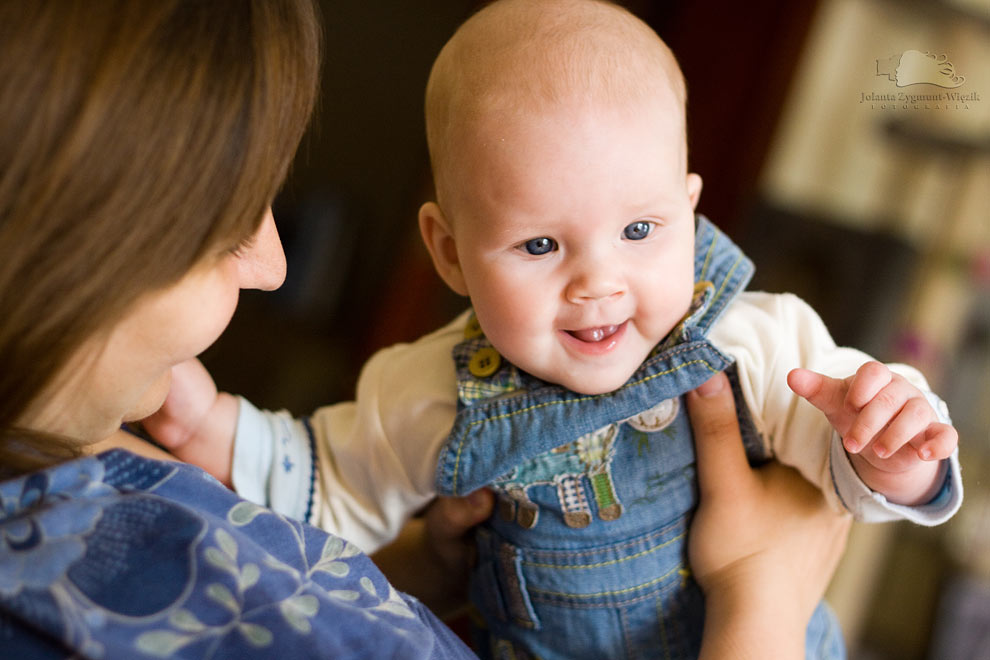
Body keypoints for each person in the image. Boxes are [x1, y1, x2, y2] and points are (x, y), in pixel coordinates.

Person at [0, 1, 853, 658]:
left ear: (689, 209)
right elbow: (326, 470)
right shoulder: (438, 386)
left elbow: (852, 432)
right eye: (541, 244)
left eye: (642, 230)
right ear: (449, 253)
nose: (600, 283)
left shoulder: (747, 336)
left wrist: (432, 566)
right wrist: (760, 605)